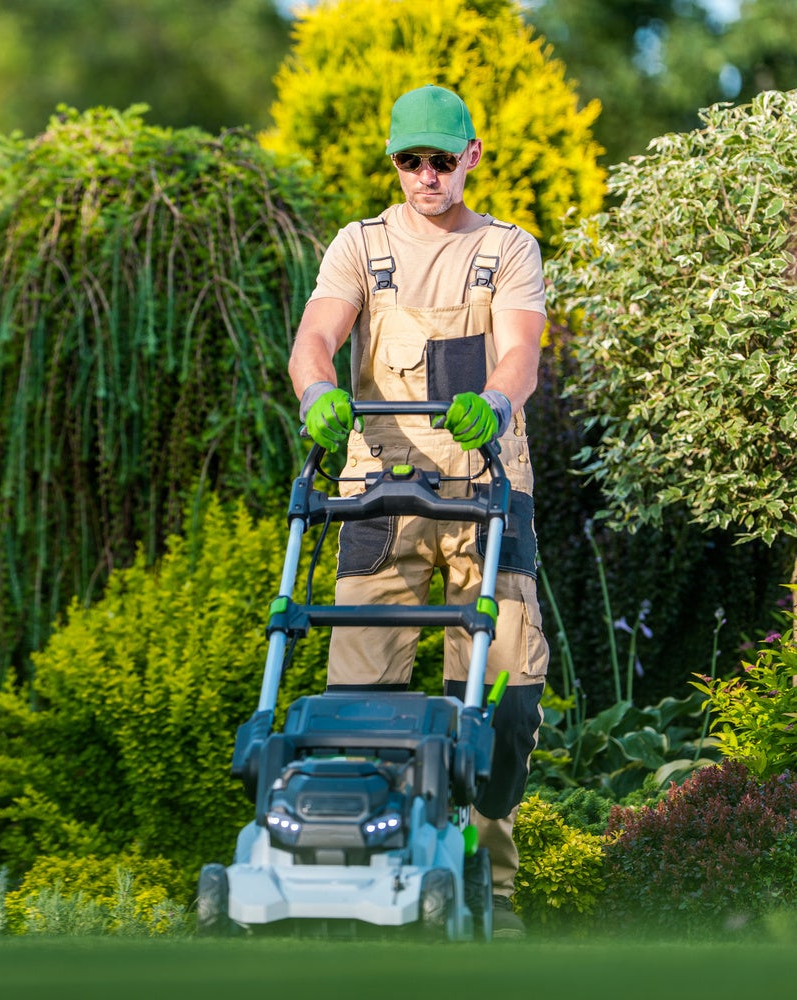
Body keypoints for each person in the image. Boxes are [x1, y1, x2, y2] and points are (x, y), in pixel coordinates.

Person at [287, 84, 548, 939]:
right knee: (359, 704)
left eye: (443, 158)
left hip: (488, 493)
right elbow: (315, 339)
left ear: (472, 156)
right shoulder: (359, 247)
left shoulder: (508, 250)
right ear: (394, 163)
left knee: (503, 693)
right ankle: (366, 872)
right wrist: (320, 393)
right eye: (412, 160)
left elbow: (519, 357)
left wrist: (497, 406)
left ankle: (488, 885)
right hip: (381, 495)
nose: (427, 175)